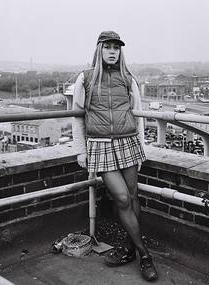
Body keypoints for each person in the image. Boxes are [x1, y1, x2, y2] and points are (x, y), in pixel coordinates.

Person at [72, 31, 158, 282]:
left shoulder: (127, 78)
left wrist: (141, 149)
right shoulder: (85, 78)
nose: (112, 51)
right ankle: (145, 255)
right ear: (99, 49)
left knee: (133, 196)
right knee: (121, 198)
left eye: (116, 48)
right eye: (107, 47)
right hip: (100, 145)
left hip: (128, 142)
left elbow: (138, 115)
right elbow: (77, 119)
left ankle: (130, 248)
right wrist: (80, 150)